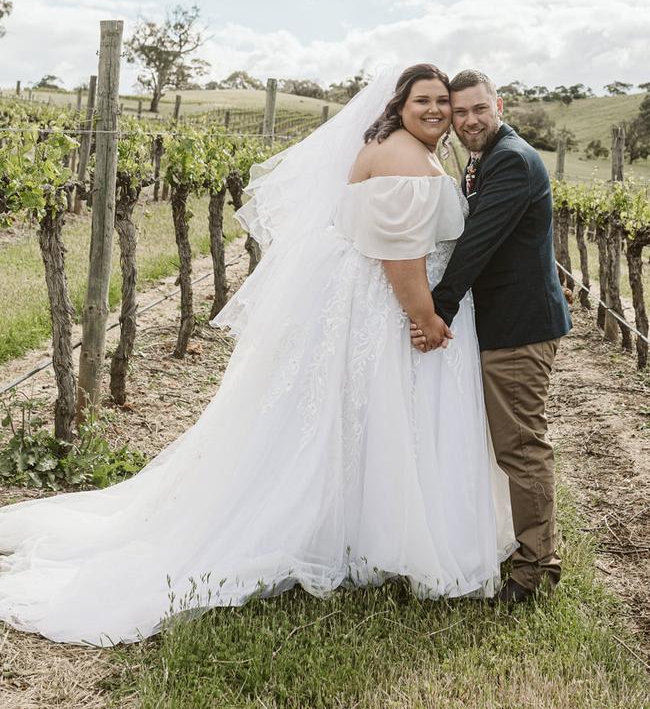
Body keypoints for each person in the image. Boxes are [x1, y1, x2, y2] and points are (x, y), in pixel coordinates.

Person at [0, 64, 515, 647]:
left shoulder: (400, 147)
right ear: (398, 105)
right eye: (423, 100)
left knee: (357, 418)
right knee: (376, 415)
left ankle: (363, 526)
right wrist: (426, 320)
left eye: (443, 102)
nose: (437, 111)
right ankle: (376, 533)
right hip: (391, 308)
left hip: (370, 304)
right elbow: (401, 256)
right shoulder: (401, 155)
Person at [411, 69, 571, 603]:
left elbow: (476, 243)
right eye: (460, 113)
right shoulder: (484, 158)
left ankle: (536, 568)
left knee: (521, 446)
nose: (470, 120)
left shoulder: (513, 161)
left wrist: (438, 311)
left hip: (520, 327)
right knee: (505, 442)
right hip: (501, 322)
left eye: (479, 108)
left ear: (498, 104)